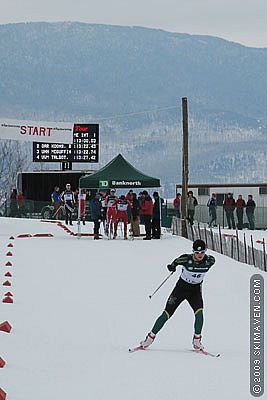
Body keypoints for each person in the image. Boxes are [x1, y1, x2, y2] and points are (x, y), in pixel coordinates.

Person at [139, 239, 215, 351]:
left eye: (202, 252)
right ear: (193, 252)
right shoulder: (186, 259)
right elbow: (176, 261)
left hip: (195, 291)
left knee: (199, 314)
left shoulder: (210, 261)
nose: (199, 255)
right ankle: (149, 338)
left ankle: (197, 341)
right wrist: (172, 266)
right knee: (167, 313)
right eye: (197, 253)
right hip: (181, 289)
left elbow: (210, 261)